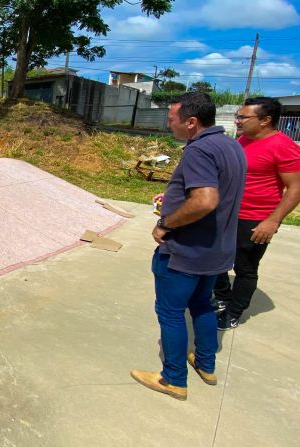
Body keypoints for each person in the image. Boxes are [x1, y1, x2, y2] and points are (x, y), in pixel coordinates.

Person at [131, 92, 246, 401]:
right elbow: (214, 193)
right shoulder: (231, 146)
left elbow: (205, 200)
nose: (169, 126)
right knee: (202, 305)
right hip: (216, 249)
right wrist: (173, 199)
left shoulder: (199, 150)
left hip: (186, 251)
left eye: (172, 120)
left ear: (191, 122)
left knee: (170, 313)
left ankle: (173, 379)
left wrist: (166, 223)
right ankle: (206, 363)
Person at [213, 97, 300, 330]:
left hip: (255, 219)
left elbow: (296, 188)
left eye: (243, 117)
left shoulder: (283, 146)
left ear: (265, 120)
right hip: (228, 213)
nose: (237, 120)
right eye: (238, 116)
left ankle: (233, 312)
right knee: (216, 257)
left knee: (245, 268)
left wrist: (272, 221)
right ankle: (221, 297)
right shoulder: (243, 140)